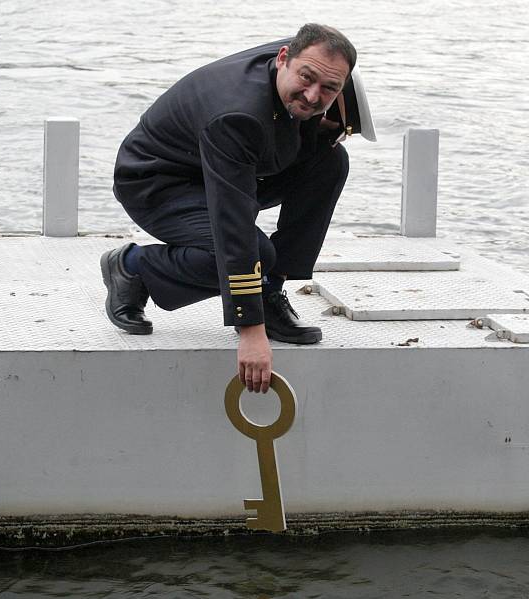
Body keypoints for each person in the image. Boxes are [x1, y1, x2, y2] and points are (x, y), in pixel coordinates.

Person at [101, 23, 375, 394]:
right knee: (253, 250)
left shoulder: (307, 56)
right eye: (307, 80)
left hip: (216, 163)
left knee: (330, 161)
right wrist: (251, 329)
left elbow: (316, 97)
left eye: (329, 88)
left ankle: (271, 288)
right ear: (283, 60)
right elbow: (233, 223)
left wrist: (324, 127)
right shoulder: (237, 115)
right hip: (157, 182)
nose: (313, 96)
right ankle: (131, 267)